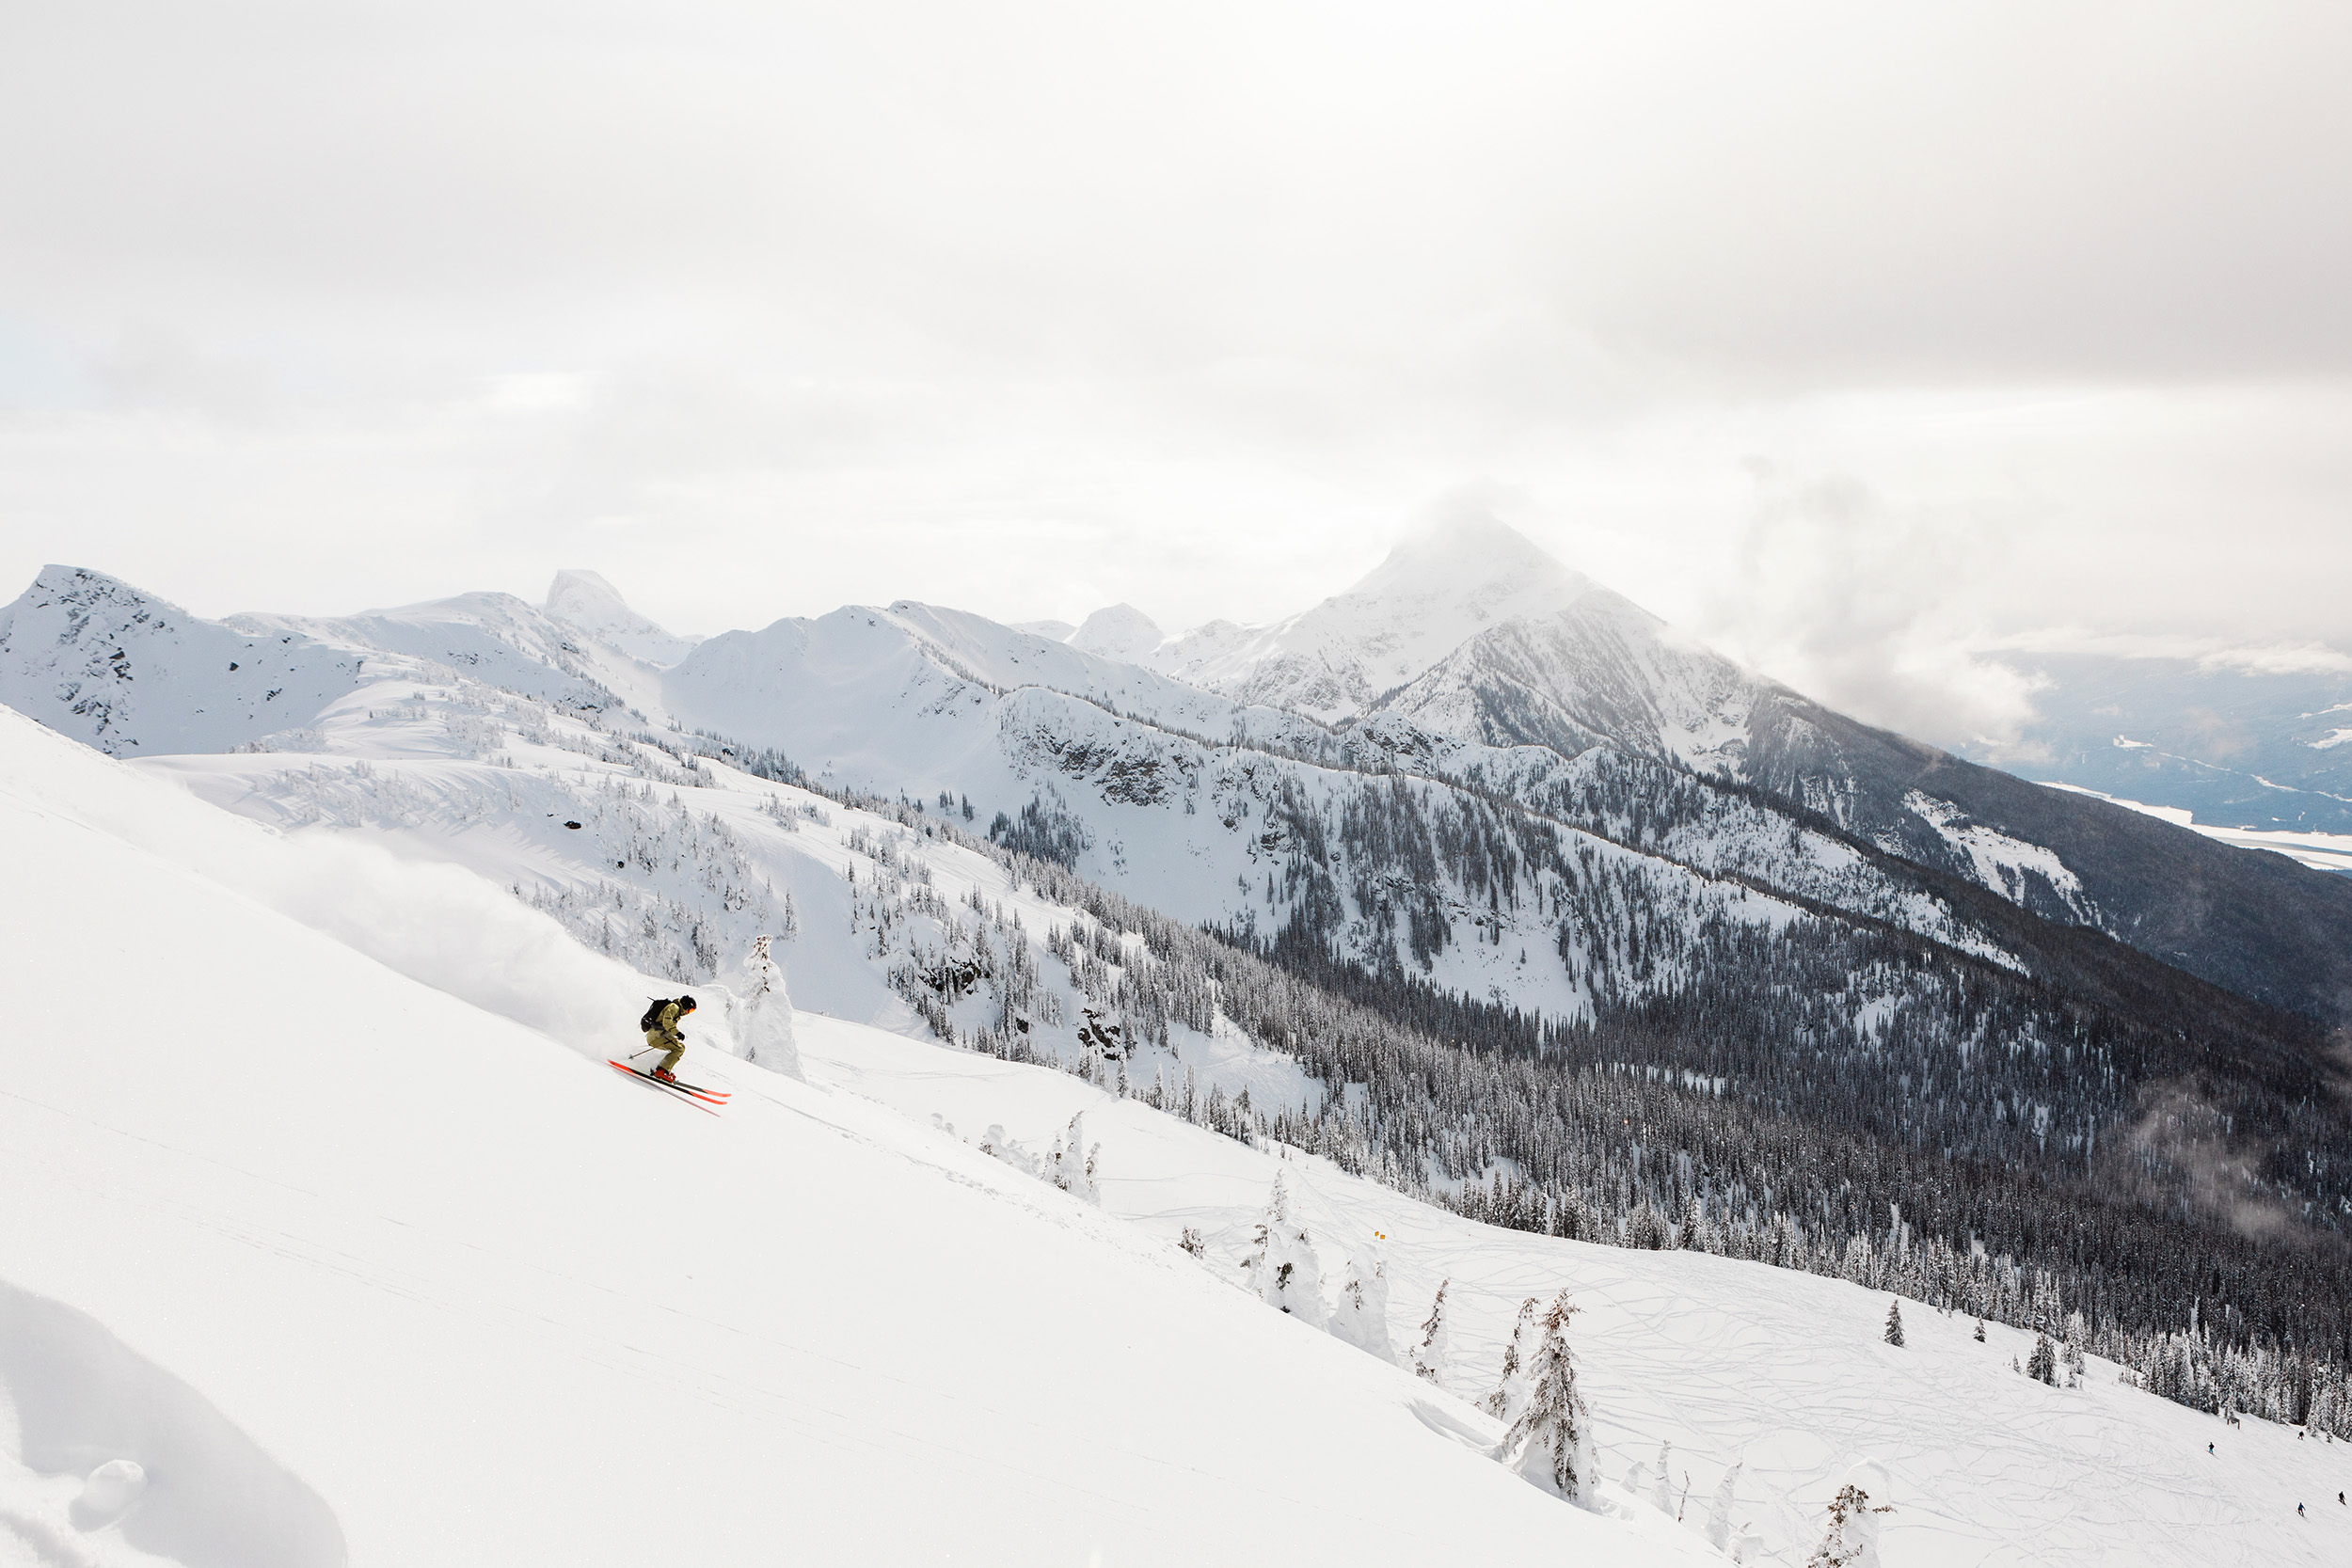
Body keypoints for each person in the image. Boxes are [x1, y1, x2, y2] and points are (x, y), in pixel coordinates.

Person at [644, 995, 696, 1082]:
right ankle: (661, 1070)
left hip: (659, 1035)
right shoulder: (674, 1007)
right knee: (679, 1049)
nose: (688, 1012)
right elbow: (667, 1023)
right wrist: (677, 1033)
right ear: (685, 1005)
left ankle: (665, 1069)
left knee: (681, 1047)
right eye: (690, 1010)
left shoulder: (676, 1010)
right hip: (656, 1036)